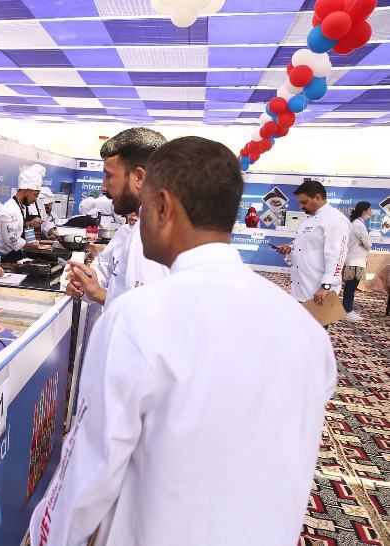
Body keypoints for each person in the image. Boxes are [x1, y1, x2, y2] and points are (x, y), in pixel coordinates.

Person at [31, 137, 337, 546]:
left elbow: (89, 474)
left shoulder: (138, 318)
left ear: (162, 206)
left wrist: (46, 534)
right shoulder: (306, 332)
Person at [66, 128, 168, 307]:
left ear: (139, 177)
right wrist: (88, 284)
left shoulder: (161, 238)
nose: (104, 188)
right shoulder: (134, 230)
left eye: (109, 176)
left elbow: (146, 314)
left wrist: (99, 295)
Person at [274, 180, 350, 305]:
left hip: (319, 292)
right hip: (300, 288)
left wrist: (326, 286)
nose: (301, 206)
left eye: (304, 202)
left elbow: (337, 256)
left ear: (318, 197)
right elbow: (302, 242)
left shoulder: (335, 220)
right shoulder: (309, 219)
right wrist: (289, 248)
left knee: (318, 325)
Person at [0, 164, 45, 263]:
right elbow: (11, 239)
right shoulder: (10, 208)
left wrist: (32, 239)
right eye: (35, 195)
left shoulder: (22, 206)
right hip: (10, 258)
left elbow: (21, 228)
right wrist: (32, 245)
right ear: (27, 190)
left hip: (20, 255)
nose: (35, 200)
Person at [342, 201, 372, 320]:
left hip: (354, 260)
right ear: (364, 211)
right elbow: (368, 244)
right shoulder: (359, 225)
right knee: (351, 287)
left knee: (350, 286)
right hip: (356, 261)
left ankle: (347, 309)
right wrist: (365, 243)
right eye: (370, 209)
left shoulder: (355, 223)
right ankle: (347, 311)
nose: (371, 211)